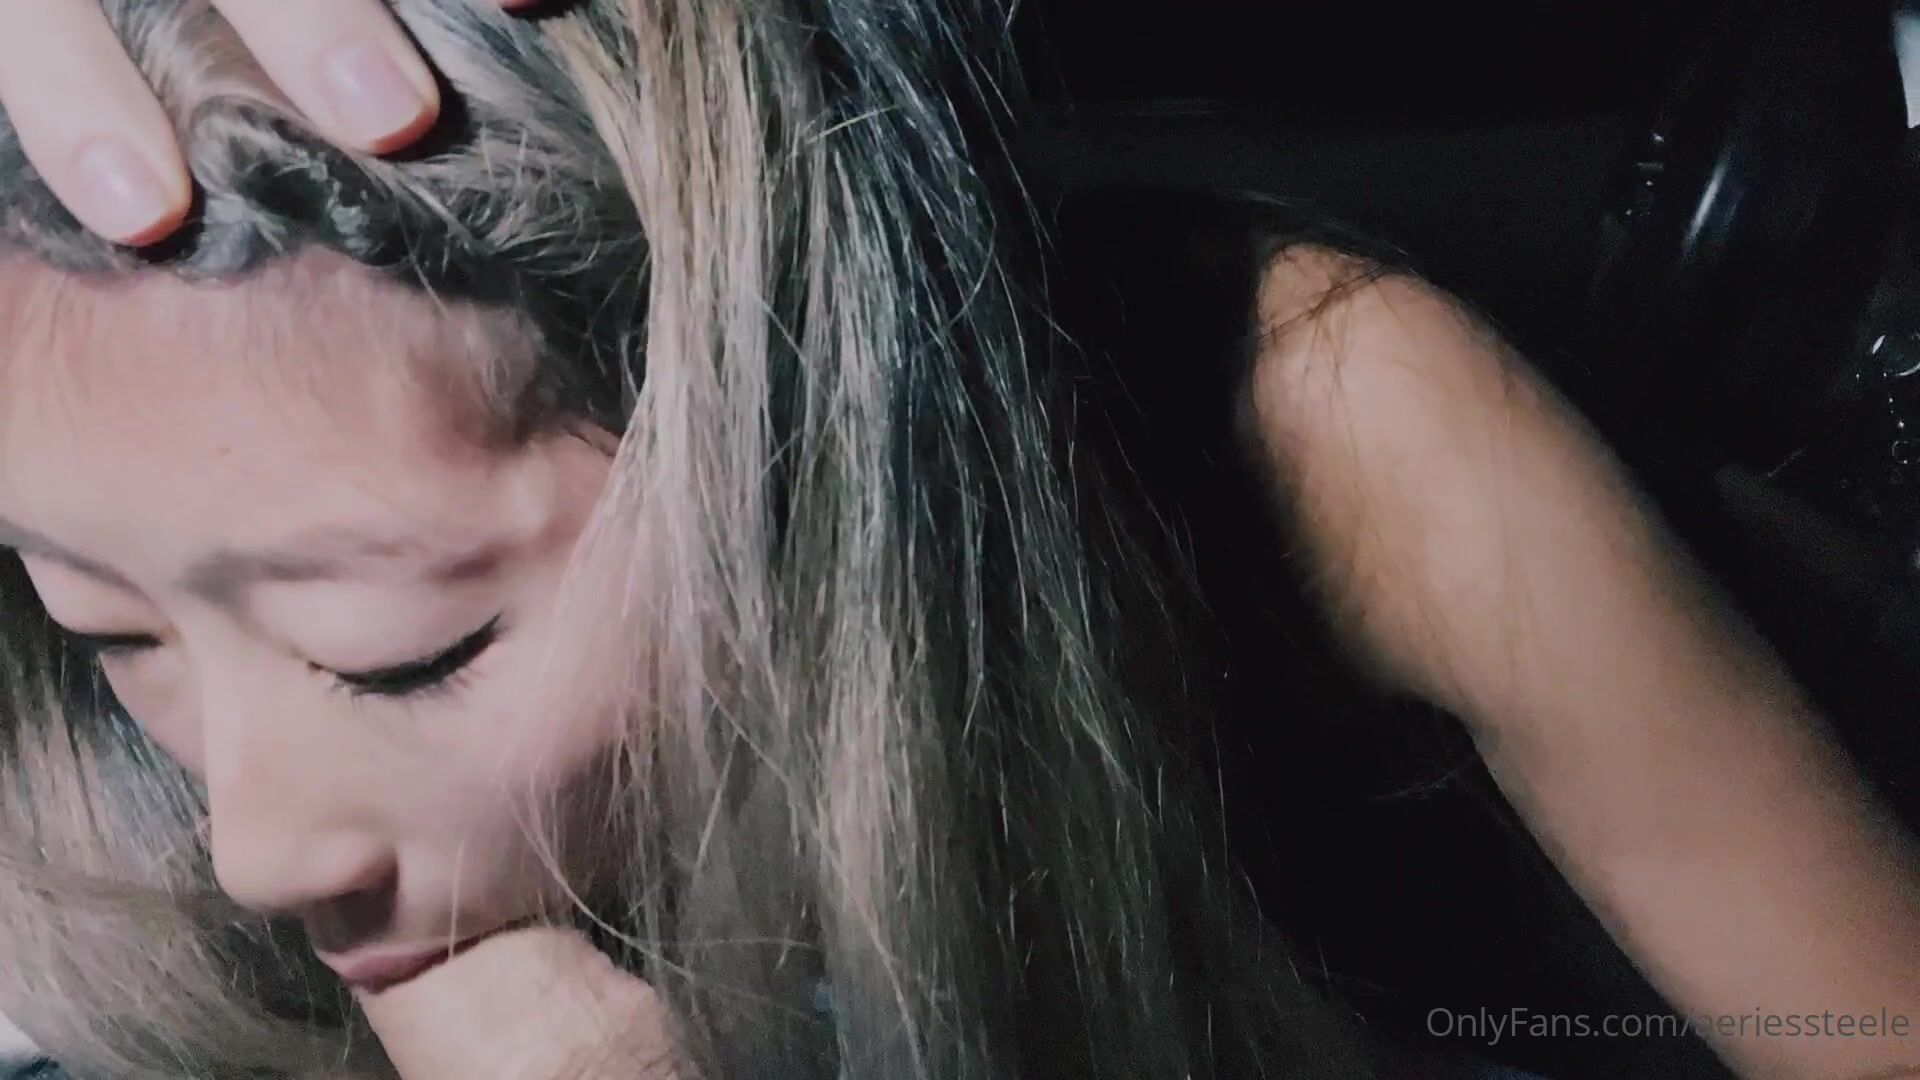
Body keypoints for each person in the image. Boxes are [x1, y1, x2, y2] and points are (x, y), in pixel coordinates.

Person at [5, 5, 1920, 1080]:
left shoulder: (1354, 434)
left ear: (785, 445)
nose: (253, 845)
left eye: (397, 652)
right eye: (110, 631)